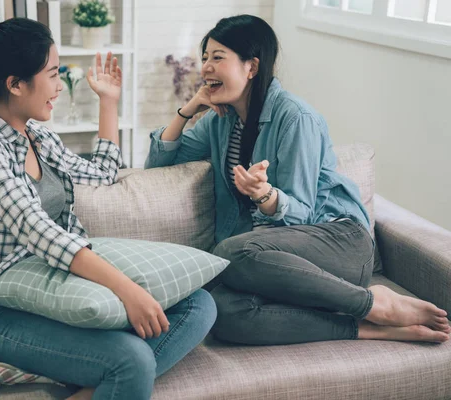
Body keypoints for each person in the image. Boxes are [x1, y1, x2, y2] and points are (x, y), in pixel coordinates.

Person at [0, 5, 216, 400]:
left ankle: (97, 389)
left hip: (55, 284)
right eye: (53, 74)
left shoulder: (36, 136)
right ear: (16, 84)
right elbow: (38, 232)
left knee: (198, 304)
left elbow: (104, 173)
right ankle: (118, 379)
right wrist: (128, 290)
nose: (60, 85)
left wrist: (108, 102)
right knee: (133, 361)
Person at [145, 14, 449, 346]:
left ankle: (373, 304)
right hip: (275, 259)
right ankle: (368, 327)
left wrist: (265, 195)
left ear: (252, 67)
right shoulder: (220, 120)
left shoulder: (295, 118)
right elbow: (159, 162)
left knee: (230, 252)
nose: (205, 67)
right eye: (204, 58)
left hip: (338, 242)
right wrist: (188, 109)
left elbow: (301, 213)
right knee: (225, 312)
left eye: (218, 57)